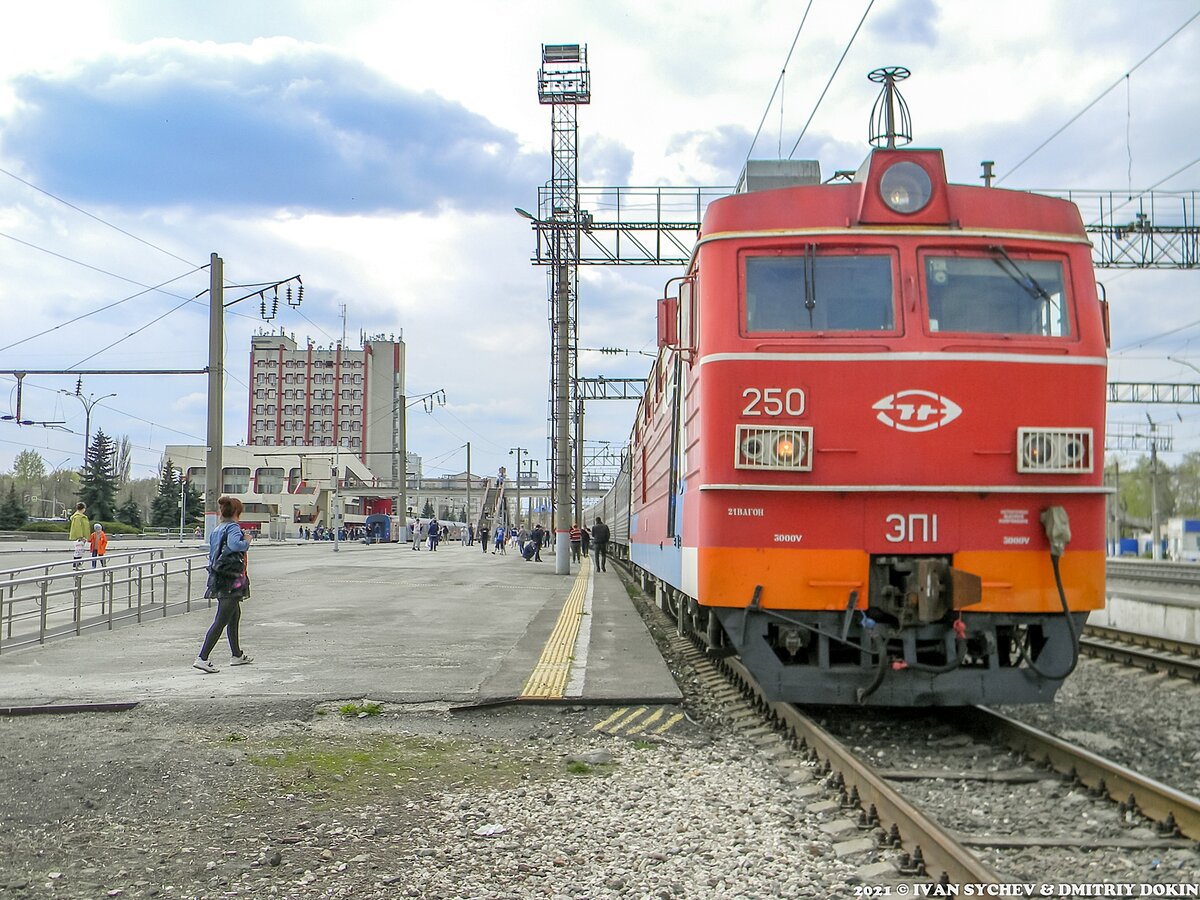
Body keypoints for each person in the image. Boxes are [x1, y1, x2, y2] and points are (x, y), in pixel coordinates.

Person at [194, 495, 253, 674]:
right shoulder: (233, 528)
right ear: (236, 512)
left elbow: (213, 553)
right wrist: (247, 541)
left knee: (234, 615)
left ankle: (237, 655)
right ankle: (202, 657)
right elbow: (236, 546)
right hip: (231, 580)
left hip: (220, 578)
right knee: (221, 619)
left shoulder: (218, 529)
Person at [68, 503, 90, 570]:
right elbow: (78, 527)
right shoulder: (78, 517)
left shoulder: (80, 516)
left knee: (79, 551)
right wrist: (81, 537)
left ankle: (77, 564)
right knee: (78, 551)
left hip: (82, 537)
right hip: (80, 537)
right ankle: (76, 564)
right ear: (83, 509)